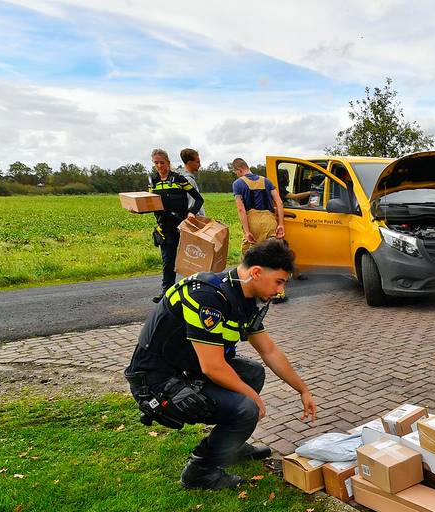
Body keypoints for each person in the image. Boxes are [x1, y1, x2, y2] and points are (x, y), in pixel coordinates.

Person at [124, 239, 318, 490]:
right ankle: (200, 471)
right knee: (246, 408)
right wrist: (253, 400)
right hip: (156, 383)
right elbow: (213, 367)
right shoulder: (207, 296)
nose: (280, 291)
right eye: (278, 281)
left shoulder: (244, 297)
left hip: (185, 370)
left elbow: (269, 351)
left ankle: (230, 446)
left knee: (253, 373)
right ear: (256, 272)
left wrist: (303, 390)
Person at [148, 148, 204, 302]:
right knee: (168, 261)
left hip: (182, 225)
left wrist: (192, 212)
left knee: (191, 260)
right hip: (165, 227)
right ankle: (166, 294)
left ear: (168, 163)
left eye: (162, 162)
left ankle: (195, 292)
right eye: (156, 163)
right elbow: (150, 203)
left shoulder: (179, 179)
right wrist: (138, 209)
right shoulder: (153, 181)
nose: (159, 166)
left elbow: (198, 199)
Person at [231, 158, 289, 302]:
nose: (237, 175)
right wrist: (280, 223)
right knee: (274, 255)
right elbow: (280, 202)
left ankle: (249, 289)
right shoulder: (266, 181)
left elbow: (240, 208)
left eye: (236, 172)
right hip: (270, 220)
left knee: (248, 255)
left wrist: (247, 231)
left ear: (238, 170)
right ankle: (279, 293)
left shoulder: (238, 184)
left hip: (253, 221)